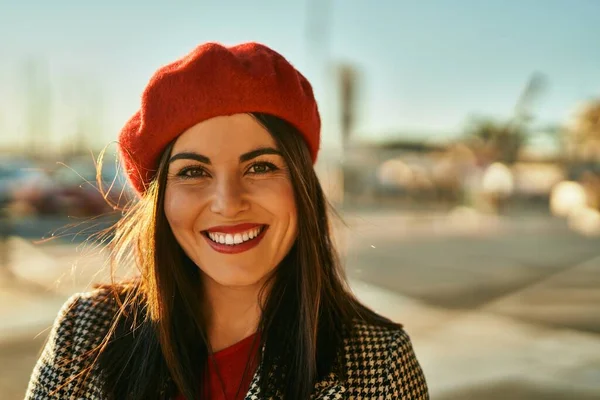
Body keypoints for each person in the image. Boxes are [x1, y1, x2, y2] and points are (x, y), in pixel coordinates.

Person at [25, 42, 429, 399]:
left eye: (260, 167)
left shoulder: (381, 362)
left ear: (303, 187)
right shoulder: (83, 333)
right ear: (160, 201)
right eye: (193, 172)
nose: (228, 203)